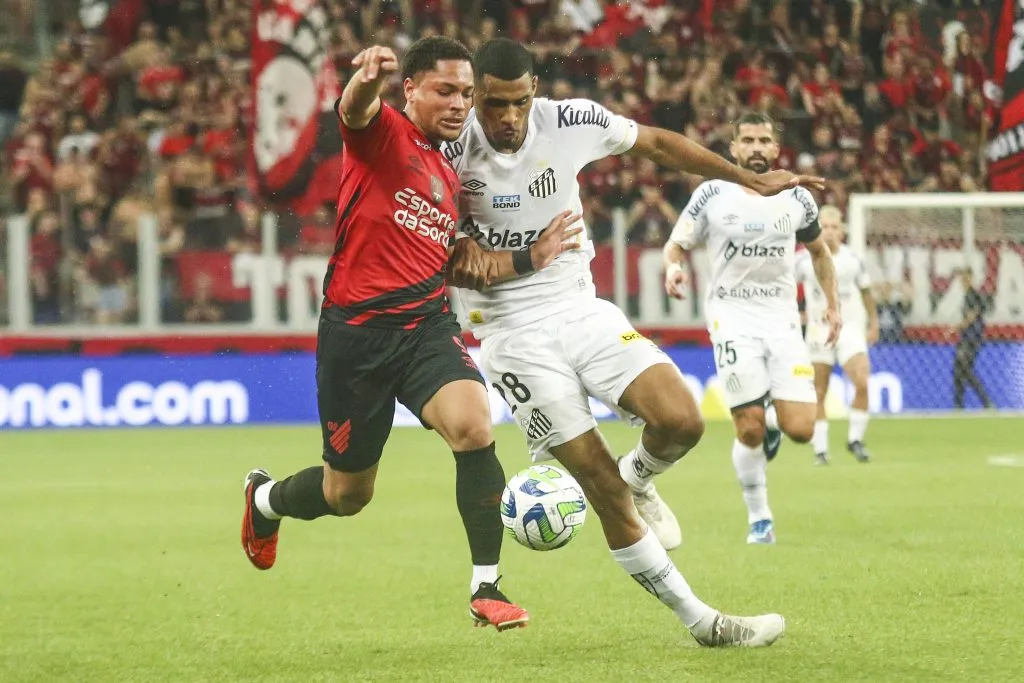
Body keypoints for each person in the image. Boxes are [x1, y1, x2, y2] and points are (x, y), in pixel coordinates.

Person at [445, 39, 824, 647]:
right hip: (508, 334)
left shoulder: (568, 120)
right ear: (476, 96)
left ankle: (642, 476)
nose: (508, 119)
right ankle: (704, 622)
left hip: (579, 306)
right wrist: (525, 257)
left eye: (518, 103)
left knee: (682, 419)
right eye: (493, 105)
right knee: (599, 482)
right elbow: (446, 262)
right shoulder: (448, 150)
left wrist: (746, 179)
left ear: (535, 91)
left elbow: (654, 142)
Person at [239, 38, 568, 633]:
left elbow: (460, 267)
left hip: (423, 326)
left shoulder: (449, 168)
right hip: (356, 340)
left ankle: (486, 587)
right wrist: (366, 79)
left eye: (466, 93)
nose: (459, 104)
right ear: (410, 88)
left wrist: (529, 258)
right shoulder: (383, 133)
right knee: (347, 495)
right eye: (445, 90)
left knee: (474, 425)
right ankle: (265, 501)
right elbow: (353, 110)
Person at [664, 111, 841, 546]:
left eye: (765, 140)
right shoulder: (712, 193)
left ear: (776, 149)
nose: (758, 148)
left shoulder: (797, 199)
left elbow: (819, 253)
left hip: (781, 319)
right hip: (731, 318)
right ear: (735, 148)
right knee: (748, 428)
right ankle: (760, 518)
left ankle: (776, 425)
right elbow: (677, 243)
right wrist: (672, 268)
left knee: (802, 428)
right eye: (749, 141)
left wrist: (832, 305)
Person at [795, 206, 878, 465]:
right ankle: (820, 450)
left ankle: (855, 439)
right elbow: (785, 288)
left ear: (842, 230)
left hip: (850, 328)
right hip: (819, 331)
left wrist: (873, 322)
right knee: (819, 390)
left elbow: (866, 293)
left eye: (834, 227)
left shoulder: (853, 260)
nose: (829, 232)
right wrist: (795, 315)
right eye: (824, 226)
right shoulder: (803, 260)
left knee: (862, 381)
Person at [952, 267, 993, 409]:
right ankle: (959, 404)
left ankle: (985, 401)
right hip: (966, 337)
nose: (964, 281)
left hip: (972, 338)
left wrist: (955, 328)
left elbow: (971, 316)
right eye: (962, 279)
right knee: (959, 369)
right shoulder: (967, 296)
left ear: (971, 278)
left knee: (963, 369)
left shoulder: (973, 295)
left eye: (966, 278)